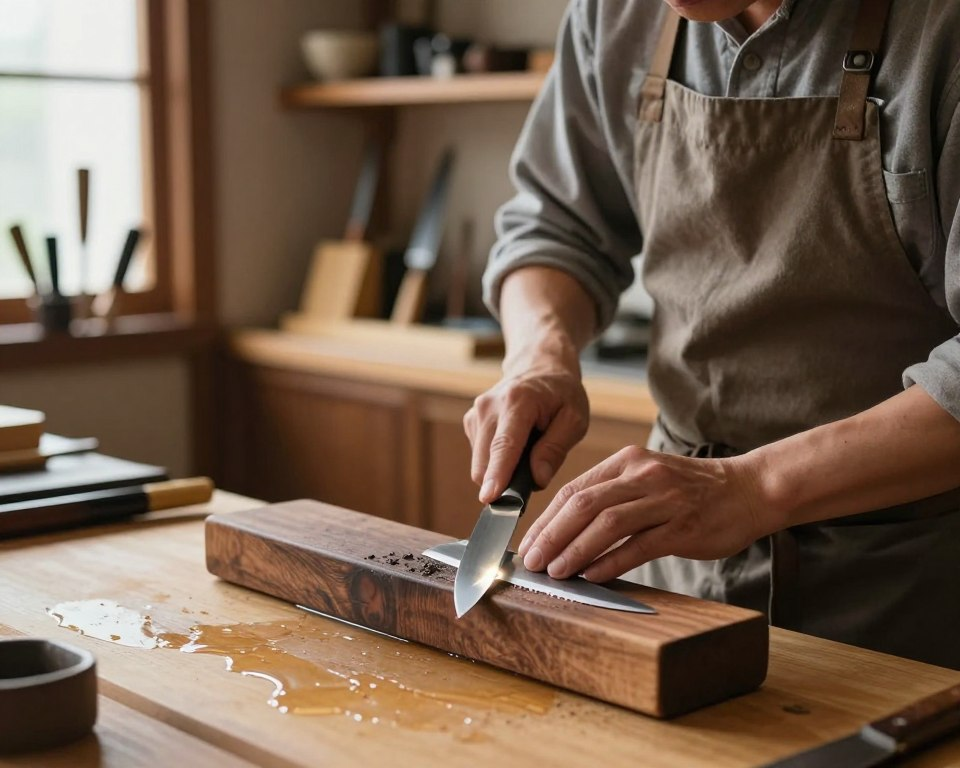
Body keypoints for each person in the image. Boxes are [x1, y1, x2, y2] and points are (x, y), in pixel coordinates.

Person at [463, 0, 960, 670]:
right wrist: (539, 353)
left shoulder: (941, 28)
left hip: (903, 595)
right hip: (676, 579)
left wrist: (753, 487)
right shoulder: (617, 14)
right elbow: (556, 225)